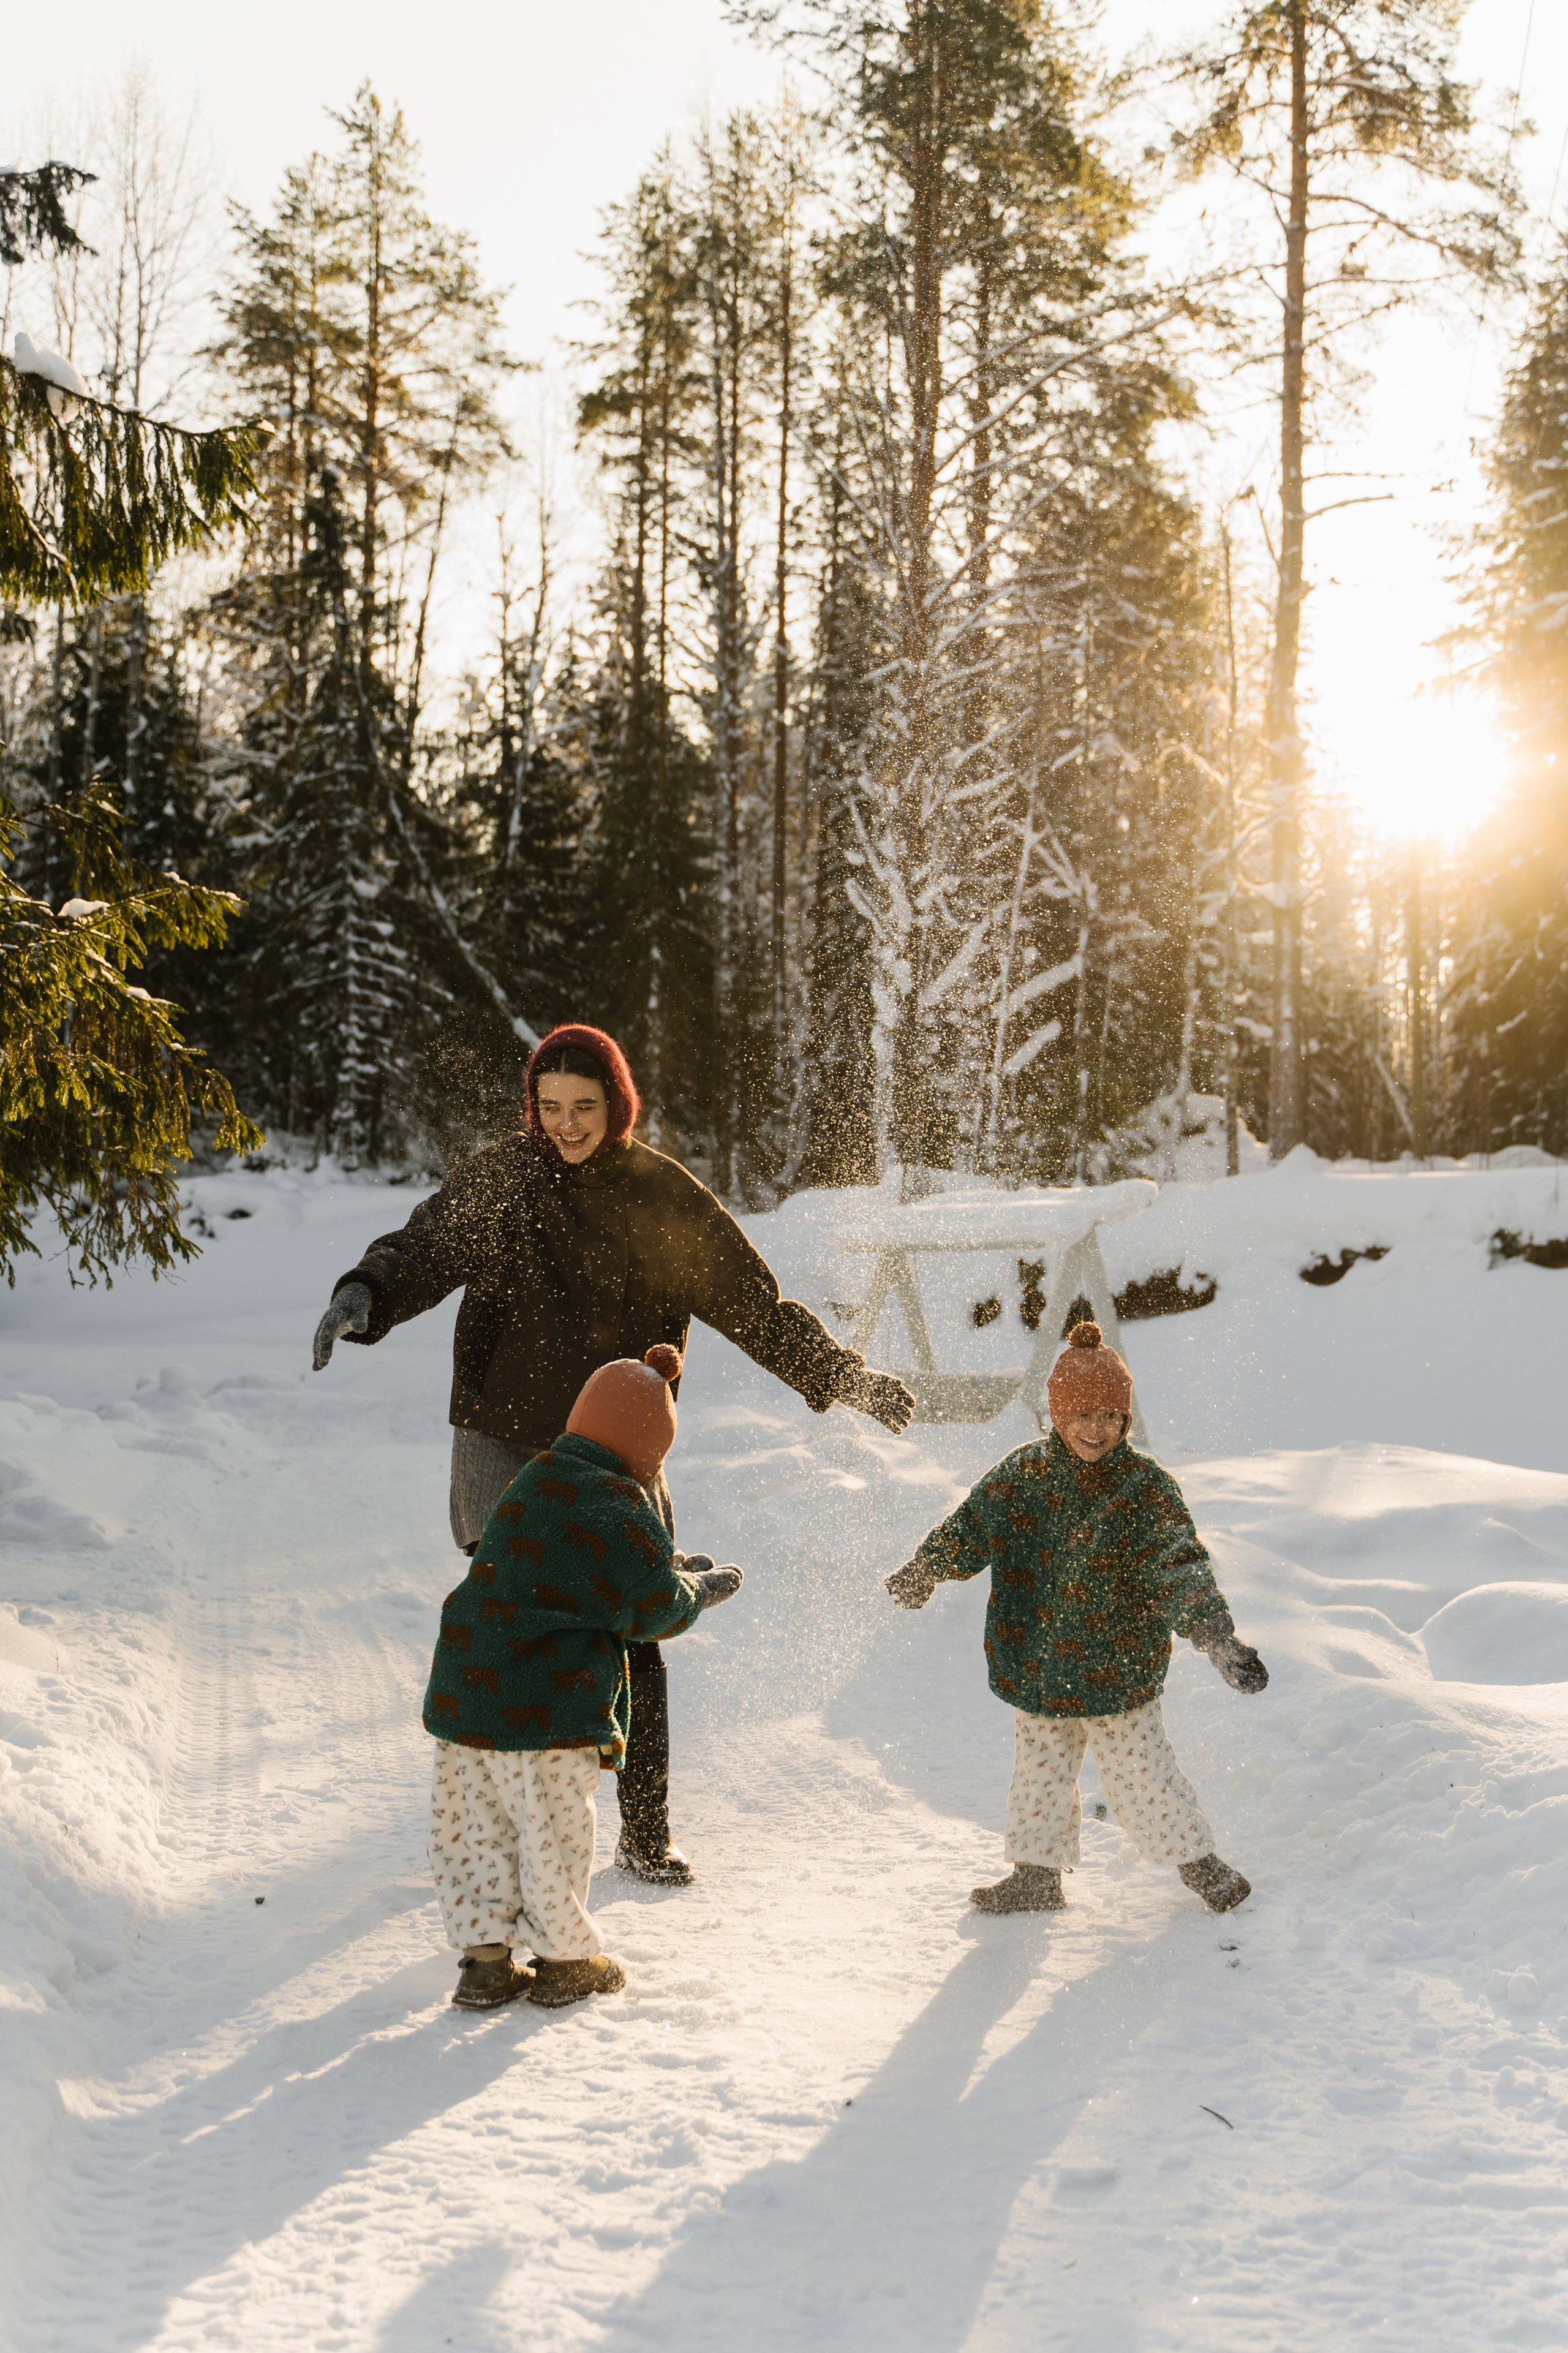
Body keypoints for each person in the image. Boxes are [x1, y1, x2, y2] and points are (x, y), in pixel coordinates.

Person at [313, 1021, 914, 1885]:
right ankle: (507, 1833)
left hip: (615, 1451)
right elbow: (426, 1249)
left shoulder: (661, 1197)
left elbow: (755, 1304)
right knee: (516, 1633)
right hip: (501, 1434)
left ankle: (644, 1830)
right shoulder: (503, 1178)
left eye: (583, 1106)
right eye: (549, 1106)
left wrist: (840, 1375)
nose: (564, 1124)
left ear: (617, 1104)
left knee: (634, 1635)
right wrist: (363, 1292)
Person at [884, 1321, 1267, 1917]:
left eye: (1110, 1417)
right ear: (1056, 1417)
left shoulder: (1145, 1490)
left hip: (1118, 1671)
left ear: (1126, 1421)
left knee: (1145, 1776)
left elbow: (1180, 1567)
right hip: (1037, 1663)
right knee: (1038, 1776)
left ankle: (1201, 1865)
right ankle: (1036, 1875)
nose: (1096, 1429)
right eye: (1082, 1416)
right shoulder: (1021, 1477)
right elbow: (971, 1527)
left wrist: (1217, 1640)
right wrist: (926, 1568)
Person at [426, 1345, 745, 2011]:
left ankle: (483, 1964)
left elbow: (571, 1563)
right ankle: (566, 1960)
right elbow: (652, 1605)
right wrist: (698, 1588)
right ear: (650, 1449)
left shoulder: (537, 1478)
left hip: (466, 1695)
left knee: (481, 1830)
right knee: (551, 1831)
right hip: (543, 1706)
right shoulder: (618, 1500)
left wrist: (666, 1563)